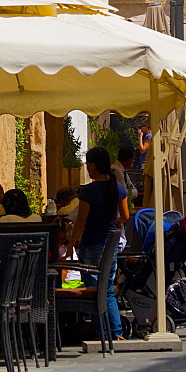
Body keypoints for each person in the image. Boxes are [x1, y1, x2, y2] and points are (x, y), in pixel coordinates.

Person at [71, 146, 129, 341]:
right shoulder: (118, 188)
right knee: (107, 288)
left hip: (92, 244)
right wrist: (111, 221)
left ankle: (103, 333)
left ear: (94, 166)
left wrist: (72, 242)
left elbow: (81, 220)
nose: (87, 168)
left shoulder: (88, 191)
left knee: (95, 291)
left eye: (87, 164)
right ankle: (116, 332)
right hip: (110, 244)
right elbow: (126, 216)